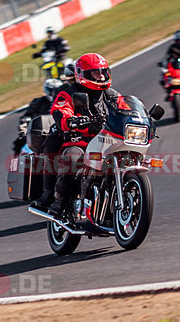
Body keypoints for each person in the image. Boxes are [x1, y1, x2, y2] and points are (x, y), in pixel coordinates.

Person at [32, 52, 125, 214]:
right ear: (82, 74)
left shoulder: (111, 95)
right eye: (96, 73)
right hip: (79, 141)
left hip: (107, 142)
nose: (101, 76)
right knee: (72, 158)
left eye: (103, 72)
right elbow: (60, 111)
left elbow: (125, 110)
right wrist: (71, 120)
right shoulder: (68, 94)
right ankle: (59, 200)